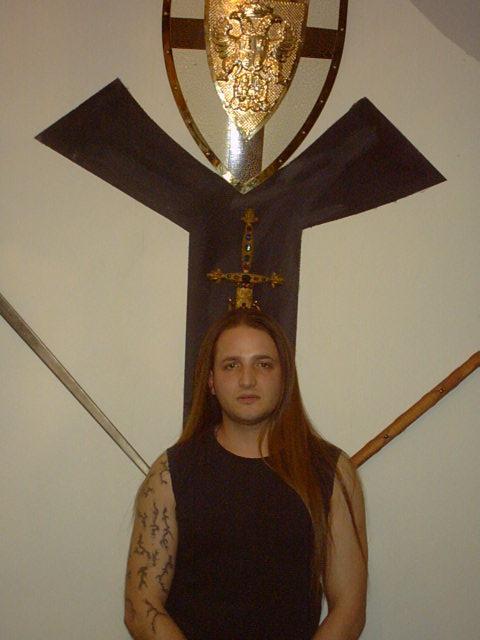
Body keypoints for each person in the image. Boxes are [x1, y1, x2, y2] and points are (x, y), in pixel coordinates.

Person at [124, 308, 368, 640]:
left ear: (284, 377)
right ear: (211, 380)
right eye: (231, 365)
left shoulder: (332, 473)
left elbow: (349, 611)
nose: (247, 379)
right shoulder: (170, 475)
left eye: (263, 364)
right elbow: (141, 607)